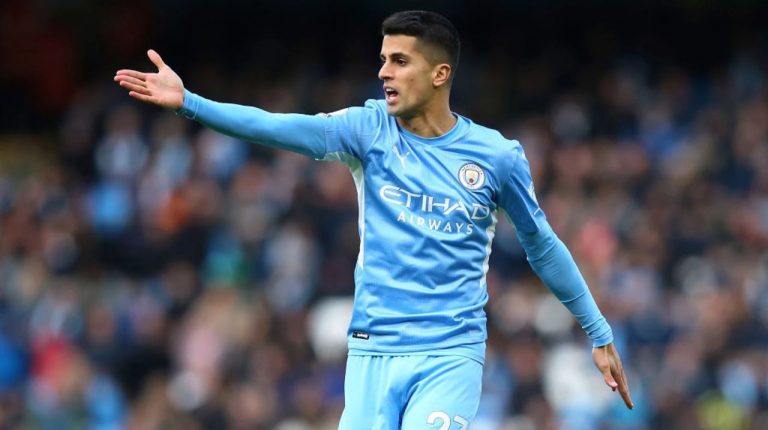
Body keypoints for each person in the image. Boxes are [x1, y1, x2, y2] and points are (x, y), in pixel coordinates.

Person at [114, 10, 632, 429]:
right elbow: (277, 128)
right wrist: (190, 104)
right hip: (372, 352)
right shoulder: (368, 132)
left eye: (399, 60)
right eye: (383, 59)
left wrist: (597, 331)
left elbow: (542, 245)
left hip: (450, 354)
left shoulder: (496, 157)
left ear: (440, 73)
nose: (383, 71)